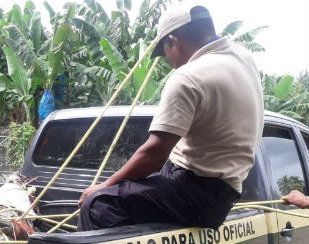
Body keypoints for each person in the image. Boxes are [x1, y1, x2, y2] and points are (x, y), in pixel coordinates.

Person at [77, 3, 264, 231]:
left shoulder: (189, 76)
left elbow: (154, 153)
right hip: (222, 193)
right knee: (128, 186)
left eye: (165, 52)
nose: (168, 60)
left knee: (99, 204)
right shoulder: (243, 57)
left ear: (173, 41)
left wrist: (104, 186)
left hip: (195, 193)